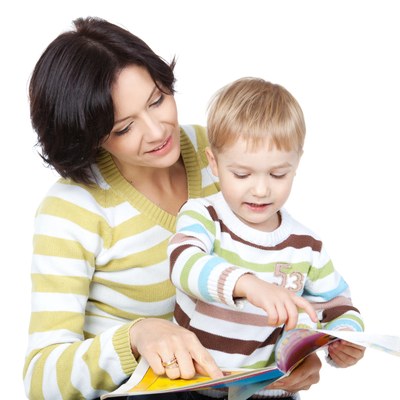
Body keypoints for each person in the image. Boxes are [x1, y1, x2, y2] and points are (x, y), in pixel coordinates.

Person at [23, 16, 361, 400]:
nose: (157, 131)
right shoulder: (71, 209)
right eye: (123, 128)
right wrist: (136, 337)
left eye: (157, 100)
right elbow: (41, 380)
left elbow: (283, 269)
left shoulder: (219, 157)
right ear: (86, 136)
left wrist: (301, 351)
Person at [168, 77, 365, 399]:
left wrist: (344, 338)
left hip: (271, 392)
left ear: (296, 165)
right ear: (214, 164)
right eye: (242, 174)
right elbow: (184, 263)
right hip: (193, 386)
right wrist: (249, 285)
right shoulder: (202, 215)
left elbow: (338, 305)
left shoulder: (306, 246)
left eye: (278, 174)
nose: (261, 190)